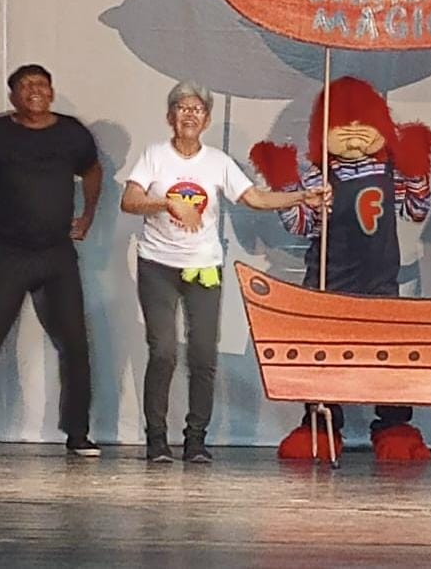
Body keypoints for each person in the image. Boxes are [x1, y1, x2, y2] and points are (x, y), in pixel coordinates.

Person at [121, 81, 328, 464]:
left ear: (206, 120)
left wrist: (302, 196)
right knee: (163, 351)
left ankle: (196, 440)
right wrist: (167, 203)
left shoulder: (217, 162)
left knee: (203, 355)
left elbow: (256, 198)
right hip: (158, 265)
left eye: (197, 109)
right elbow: (130, 200)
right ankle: (157, 440)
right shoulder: (155, 156)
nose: (189, 114)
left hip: (203, 267)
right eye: (182, 108)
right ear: (170, 117)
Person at [250, 76, 431, 462]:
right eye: (341, 125)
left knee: (387, 356)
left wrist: (417, 170)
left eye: (362, 124)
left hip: (379, 280)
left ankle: (393, 423)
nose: (353, 134)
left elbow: (416, 211)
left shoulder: (391, 169)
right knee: (324, 356)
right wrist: (287, 187)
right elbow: (303, 226)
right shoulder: (318, 174)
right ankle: (321, 422)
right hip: (328, 279)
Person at [0, 64, 103, 457]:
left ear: (52, 92)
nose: (34, 90)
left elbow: (92, 169)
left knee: (75, 345)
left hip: (56, 256)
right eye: (25, 86)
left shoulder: (72, 133)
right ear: (12, 96)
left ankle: (78, 433)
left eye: (41, 84)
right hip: (4, 255)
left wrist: (88, 215)